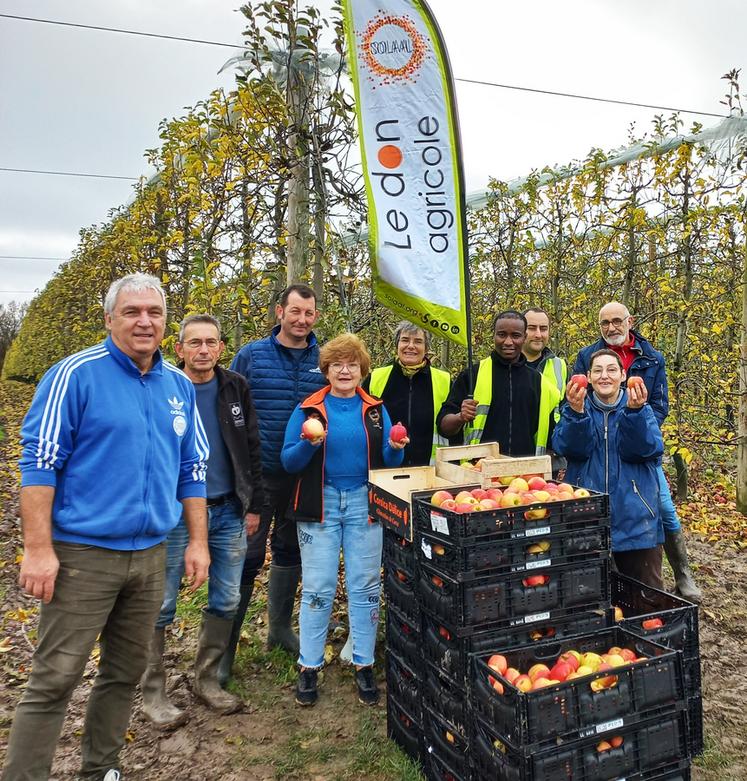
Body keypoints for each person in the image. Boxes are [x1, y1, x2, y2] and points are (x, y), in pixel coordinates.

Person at [3, 273, 210, 781]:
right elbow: (39, 463)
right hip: (83, 555)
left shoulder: (179, 386)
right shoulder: (74, 375)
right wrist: (37, 549)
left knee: (123, 673)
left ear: (165, 321)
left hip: (151, 554)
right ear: (109, 318)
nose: (145, 321)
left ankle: (100, 769)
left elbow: (193, 469)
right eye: (132, 312)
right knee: (55, 678)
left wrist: (198, 541)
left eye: (154, 312)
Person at [141, 314, 264, 729]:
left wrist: (254, 505)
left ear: (221, 347)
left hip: (229, 508)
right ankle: (153, 690)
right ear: (179, 348)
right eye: (195, 342)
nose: (204, 350)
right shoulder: (163, 388)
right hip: (175, 513)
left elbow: (251, 447)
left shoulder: (235, 387)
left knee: (227, 597)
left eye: (211, 342)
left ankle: (206, 679)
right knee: (160, 602)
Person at [281, 334, 406, 707]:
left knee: (365, 585)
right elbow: (288, 461)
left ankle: (364, 663)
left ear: (363, 371)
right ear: (327, 370)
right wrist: (309, 444)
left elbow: (388, 461)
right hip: (320, 505)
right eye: (338, 364)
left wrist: (396, 448)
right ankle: (309, 666)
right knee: (318, 587)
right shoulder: (309, 409)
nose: (346, 370)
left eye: (353, 364)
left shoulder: (374, 409)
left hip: (363, 504)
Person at [221, 284, 326, 683]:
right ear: (280, 311)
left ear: (316, 316)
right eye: (295, 311)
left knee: (290, 550)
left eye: (309, 313)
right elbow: (229, 409)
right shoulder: (251, 355)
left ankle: (279, 630)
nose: (301, 320)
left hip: (302, 475)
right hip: (257, 476)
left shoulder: (324, 358)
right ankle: (223, 649)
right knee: (245, 557)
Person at [573, 301, 702, 601]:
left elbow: (659, 406)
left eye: (617, 321)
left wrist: (633, 427)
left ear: (629, 321)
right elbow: (582, 399)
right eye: (605, 323)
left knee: (663, 508)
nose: (611, 328)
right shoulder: (586, 357)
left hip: (638, 443)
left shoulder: (652, 358)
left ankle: (683, 573)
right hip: (599, 444)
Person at [553, 349, 665, 588]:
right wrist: (576, 412)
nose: (605, 376)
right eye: (598, 370)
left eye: (612, 370)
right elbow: (569, 449)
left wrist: (634, 413)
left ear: (623, 375)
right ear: (589, 377)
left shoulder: (640, 407)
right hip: (585, 515)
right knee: (587, 593)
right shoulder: (576, 407)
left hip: (636, 517)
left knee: (645, 594)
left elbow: (647, 449)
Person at [437, 310, 560, 456]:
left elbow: (552, 440)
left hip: (526, 473)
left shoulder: (539, 383)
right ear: (494, 336)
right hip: (478, 471)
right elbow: (443, 427)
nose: (508, 342)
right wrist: (460, 417)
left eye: (515, 335)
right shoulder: (472, 375)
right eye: (502, 335)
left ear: (524, 337)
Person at [362, 321, 451, 466]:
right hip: (384, 471)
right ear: (397, 344)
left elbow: (454, 432)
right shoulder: (376, 378)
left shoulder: (444, 380)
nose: (411, 346)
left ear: (426, 348)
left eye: (418, 341)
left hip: (430, 471)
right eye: (405, 340)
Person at [522, 306, 568, 474]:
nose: (538, 334)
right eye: (532, 328)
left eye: (543, 328)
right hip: (511, 458)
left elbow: (567, 410)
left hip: (550, 461)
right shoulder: (507, 366)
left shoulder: (560, 366)